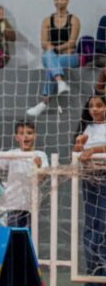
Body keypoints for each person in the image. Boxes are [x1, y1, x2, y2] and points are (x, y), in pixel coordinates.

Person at [0, 121, 48, 228]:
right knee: (14, 233)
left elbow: (41, 179)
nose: (25, 136)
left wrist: (38, 168)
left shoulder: (40, 155)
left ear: (35, 136)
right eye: (22, 133)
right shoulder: (11, 154)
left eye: (29, 133)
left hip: (31, 204)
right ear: (16, 137)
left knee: (28, 234)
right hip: (13, 204)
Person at [28, 0, 82, 117]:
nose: (59, 1)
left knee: (50, 61)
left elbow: (72, 43)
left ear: (67, 1)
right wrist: (56, 50)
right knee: (48, 56)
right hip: (52, 56)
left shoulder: (74, 19)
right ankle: (59, 82)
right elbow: (44, 43)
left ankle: (43, 103)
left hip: (71, 57)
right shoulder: (47, 21)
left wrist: (56, 49)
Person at [73, 95, 106, 276]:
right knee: (91, 224)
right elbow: (77, 153)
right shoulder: (86, 127)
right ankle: (93, 271)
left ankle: (104, 271)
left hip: (104, 177)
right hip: (89, 178)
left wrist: (93, 150)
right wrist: (79, 145)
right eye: (91, 106)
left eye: (99, 105)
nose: (94, 109)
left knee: (103, 224)